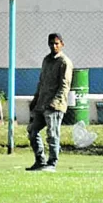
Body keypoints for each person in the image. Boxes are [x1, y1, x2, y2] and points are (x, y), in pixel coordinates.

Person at [26, 33, 71, 172]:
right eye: (51, 43)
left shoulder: (64, 62)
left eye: (57, 43)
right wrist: (35, 99)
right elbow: (42, 81)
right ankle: (40, 161)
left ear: (62, 44)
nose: (54, 46)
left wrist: (55, 102)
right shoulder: (46, 60)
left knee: (52, 134)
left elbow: (65, 85)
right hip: (42, 103)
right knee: (32, 130)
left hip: (54, 105)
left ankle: (52, 162)